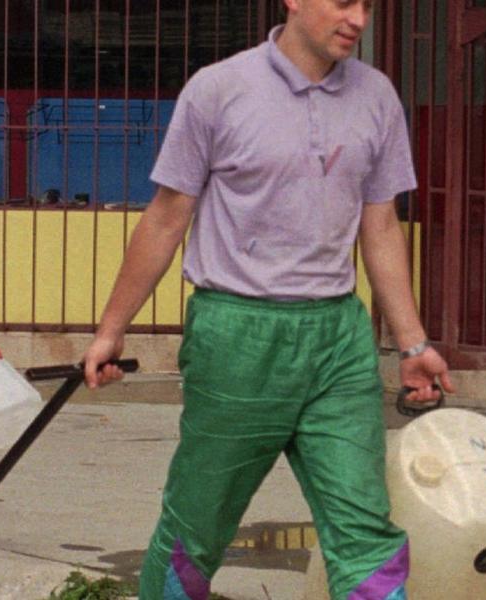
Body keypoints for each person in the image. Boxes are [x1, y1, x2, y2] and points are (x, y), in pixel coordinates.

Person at [80, 1, 453, 598]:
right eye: (344, 2)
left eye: (368, 4)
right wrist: (111, 329)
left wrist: (412, 343)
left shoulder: (376, 95)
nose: (359, 19)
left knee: (365, 531)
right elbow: (167, 216)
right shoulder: (219, 90)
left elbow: (379, 227)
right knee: (196, 528)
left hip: (338, 338)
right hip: (236, 334)